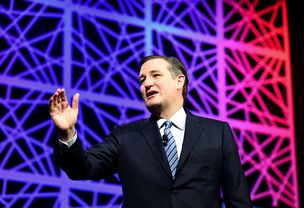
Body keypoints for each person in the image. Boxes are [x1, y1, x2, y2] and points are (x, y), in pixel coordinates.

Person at [49, 55, 252, 208]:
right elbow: (82, 168)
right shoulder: (126, 136)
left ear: (179, 81)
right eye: (142, 80)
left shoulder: (217, 132)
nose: (147, 83)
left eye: (155, 75)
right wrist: (67, 133)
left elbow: (238, 198)